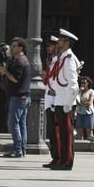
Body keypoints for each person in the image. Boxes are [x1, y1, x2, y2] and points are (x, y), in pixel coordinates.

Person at [0, 37, 31, 158]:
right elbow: (2, 72)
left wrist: (5, 71)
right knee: (21, 124)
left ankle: (17, 150)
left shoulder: (20, 61)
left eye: (14, 45)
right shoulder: (17, 60)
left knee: (14, 123)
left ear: (21, 47)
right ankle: (22, 149)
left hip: (19, 97)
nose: (11, 47)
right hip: (22, 96)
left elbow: (15, 78)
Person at [48, 29, 81, 170]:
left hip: (66, 101)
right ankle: (62, 159)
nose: (58, 42)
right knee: (61, 133)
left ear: (67, 42)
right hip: (60, 99)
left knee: (66, 134)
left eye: (61, 40)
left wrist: (68, 104)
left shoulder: (69, 59)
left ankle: (67, 161)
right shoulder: (63, 58)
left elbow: (73, 84)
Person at [43, 35, 60, 167]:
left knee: (56, 132)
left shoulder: (60, 61)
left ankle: (59, 157)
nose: (48, 48)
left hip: (56, 99)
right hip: (50, 99)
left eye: (51, 45)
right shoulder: (53, 61)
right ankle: (55, 157)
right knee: (51, 132)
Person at [75, 76, 94, 140]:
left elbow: (89, 103)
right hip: (79, 112)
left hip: (88, 112)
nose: (83, 84)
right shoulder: (79, 92)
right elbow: (75, 101)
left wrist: (80, 103)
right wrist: (78, 92)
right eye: (81, 83)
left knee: (89, 131)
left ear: (88, 83)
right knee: (79, 131)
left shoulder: (91, 91)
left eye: (84, 82)